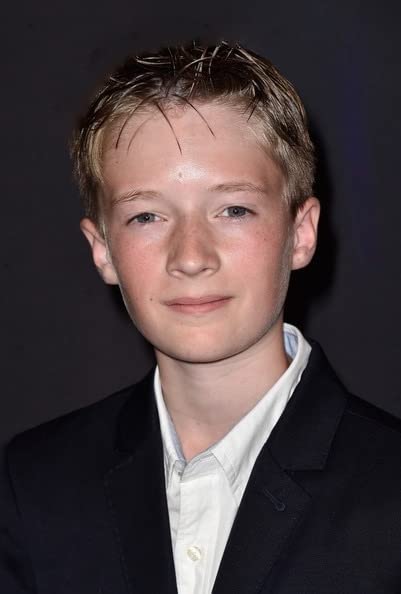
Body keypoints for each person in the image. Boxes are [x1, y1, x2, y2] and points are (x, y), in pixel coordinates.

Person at [1, 41, 401, 594]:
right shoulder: (34, 483)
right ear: (103, 250)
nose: (190, 257)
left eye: (234, 209)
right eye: (147, 216)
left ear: (301, 233)